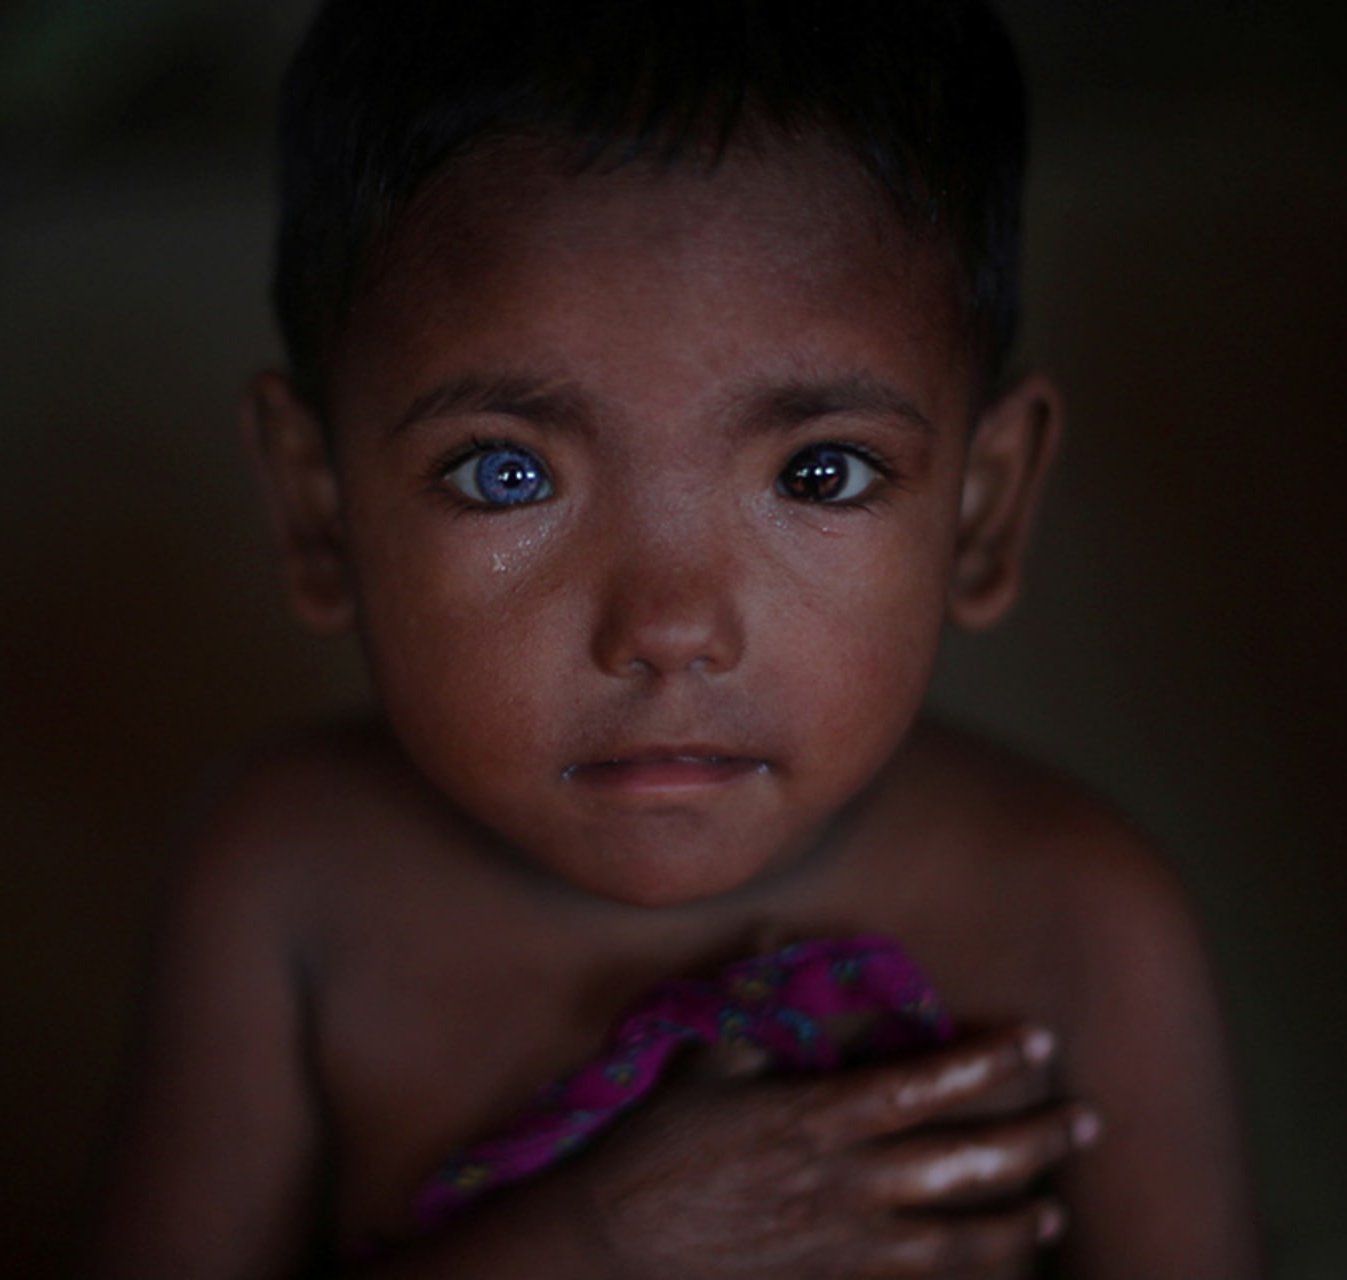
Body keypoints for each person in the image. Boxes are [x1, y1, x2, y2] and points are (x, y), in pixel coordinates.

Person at [88, 1, 1263, 1276]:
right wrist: (599, 1241)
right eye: (504, 473)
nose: (668, 627)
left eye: (820, 472)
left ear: (981, 513)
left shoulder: (1078, 913)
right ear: (320, 510)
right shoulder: (290, 880)